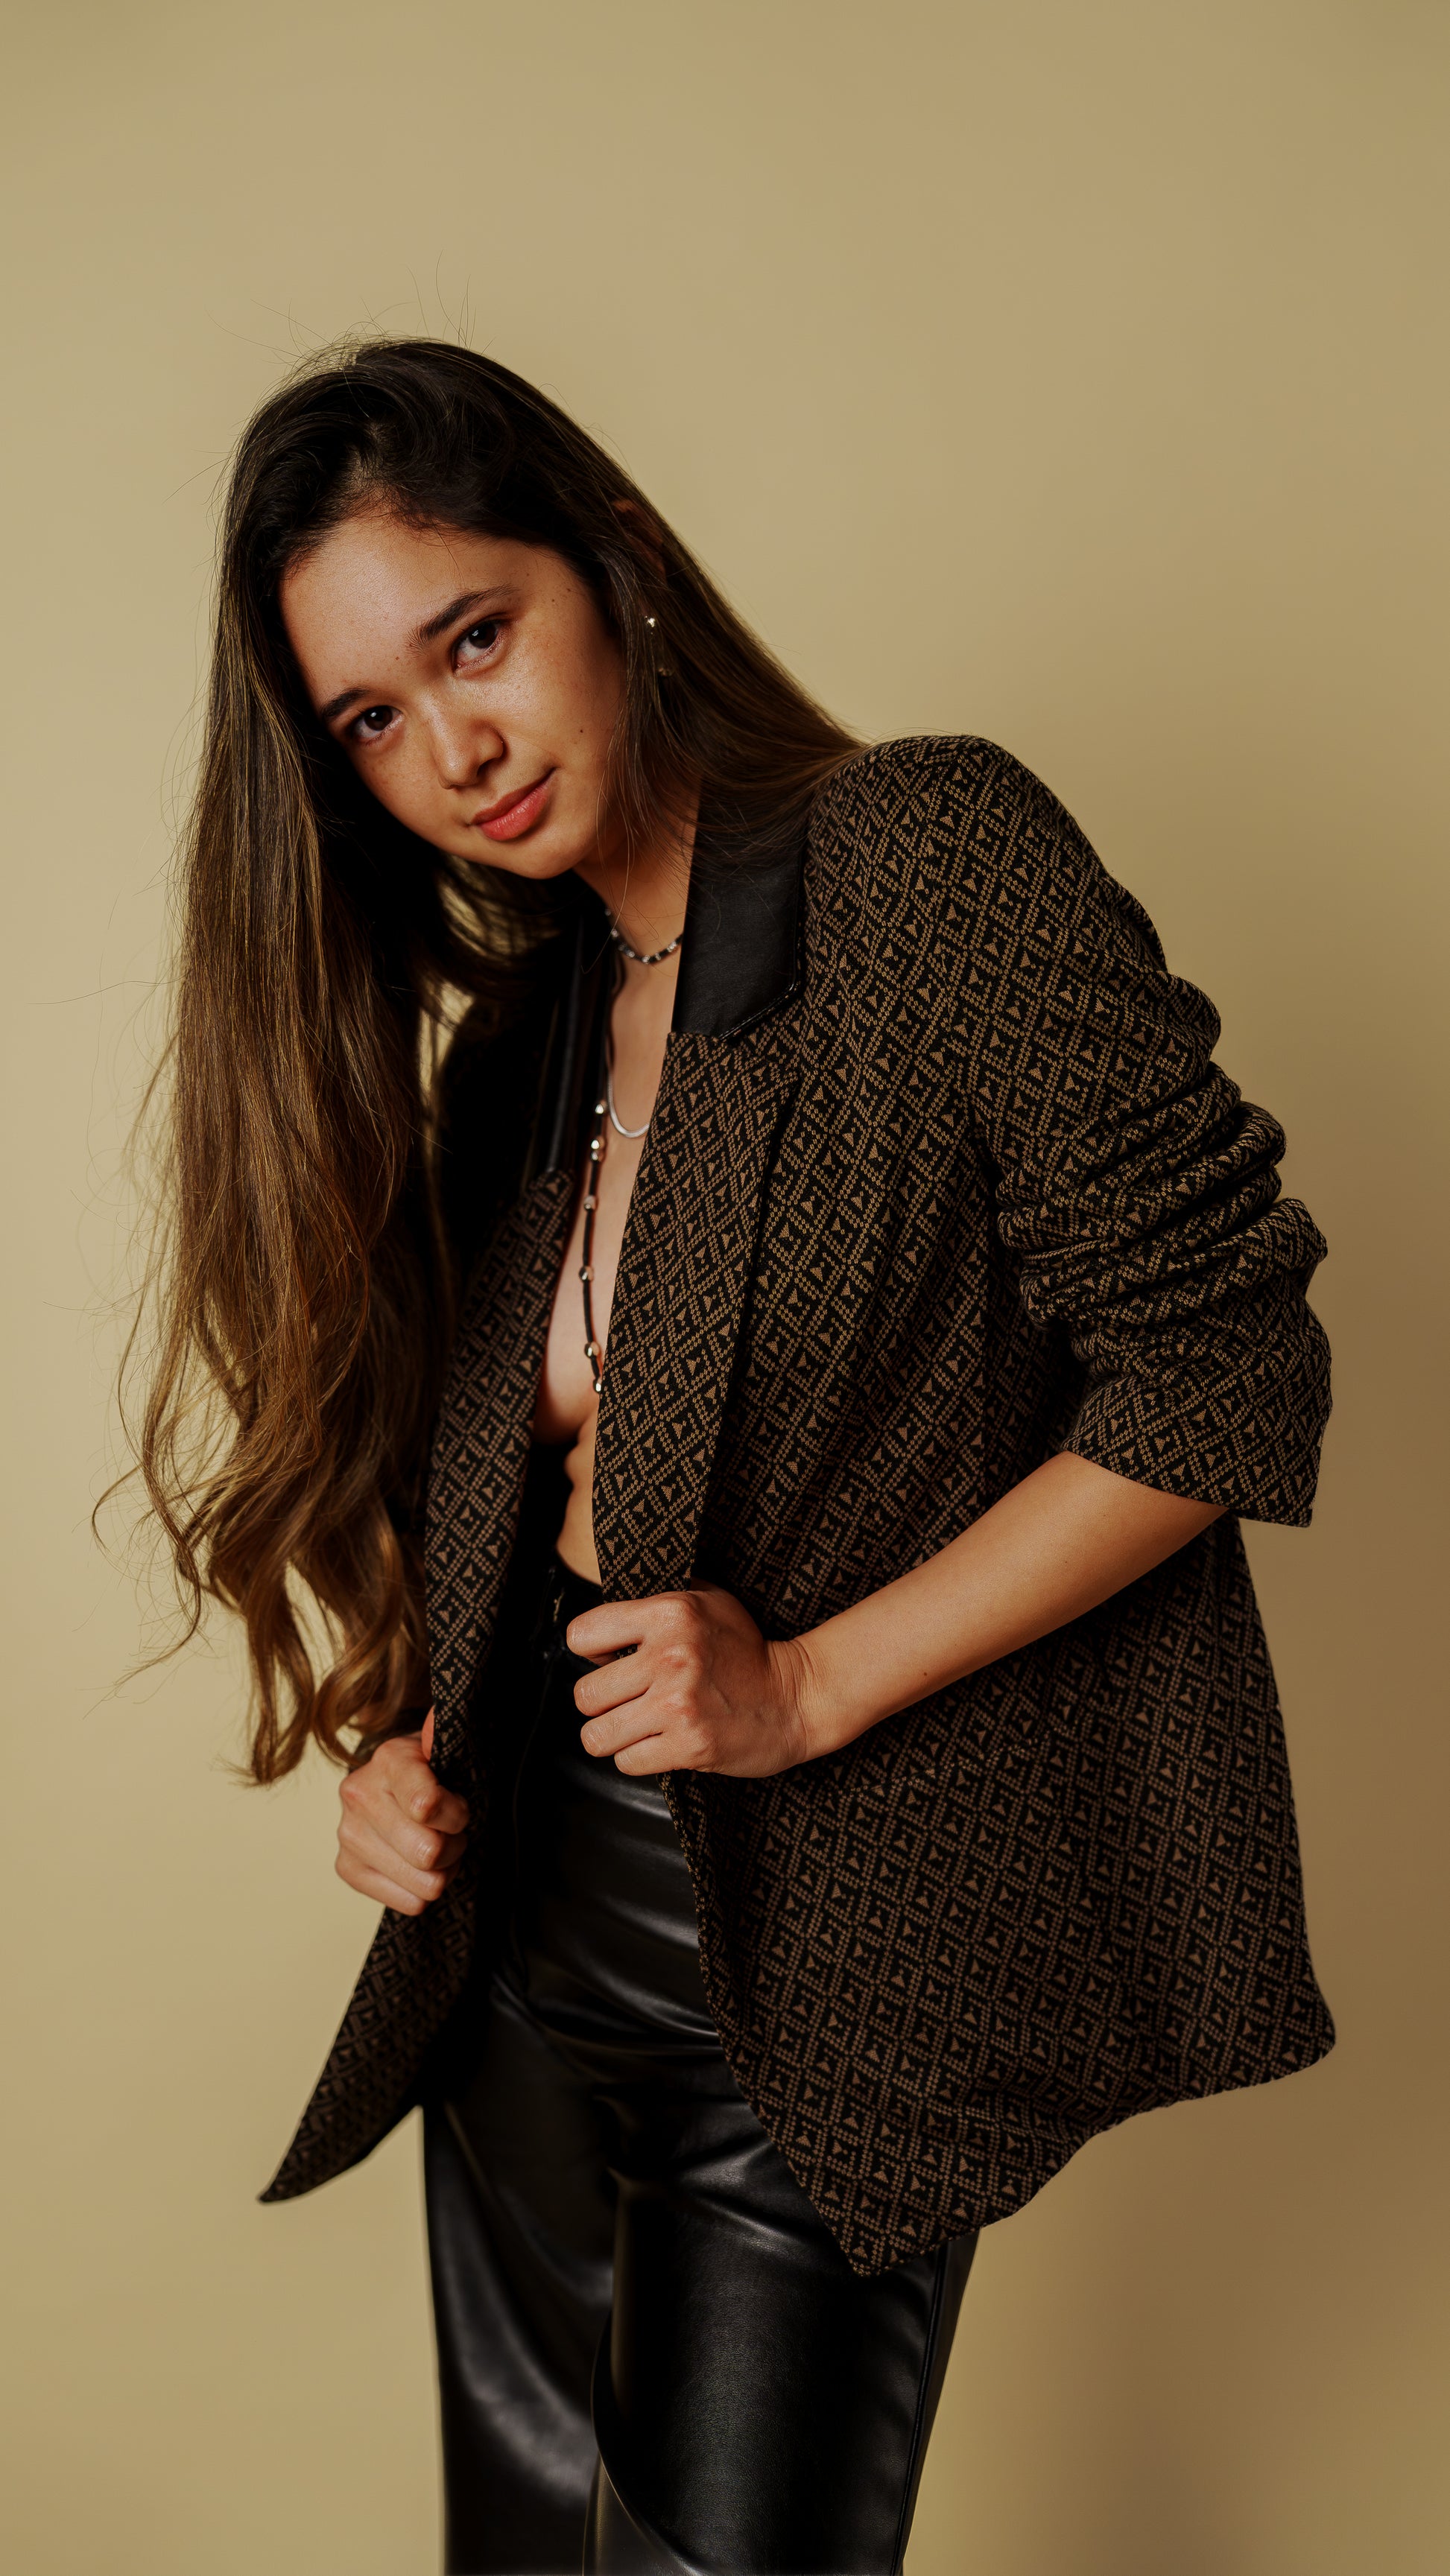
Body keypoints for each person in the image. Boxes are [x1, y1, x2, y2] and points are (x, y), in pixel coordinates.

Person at [134, 337, 1335, 2575]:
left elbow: (1226, 1370)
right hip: (514, 1955)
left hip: (812, 1970)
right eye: (369, 718)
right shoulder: (526, 1039)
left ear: (616, 565)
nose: (453, 750)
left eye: (473, 638)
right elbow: (518, 1500)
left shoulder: (924, 859)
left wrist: (812, 1681)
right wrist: (407, 1747)